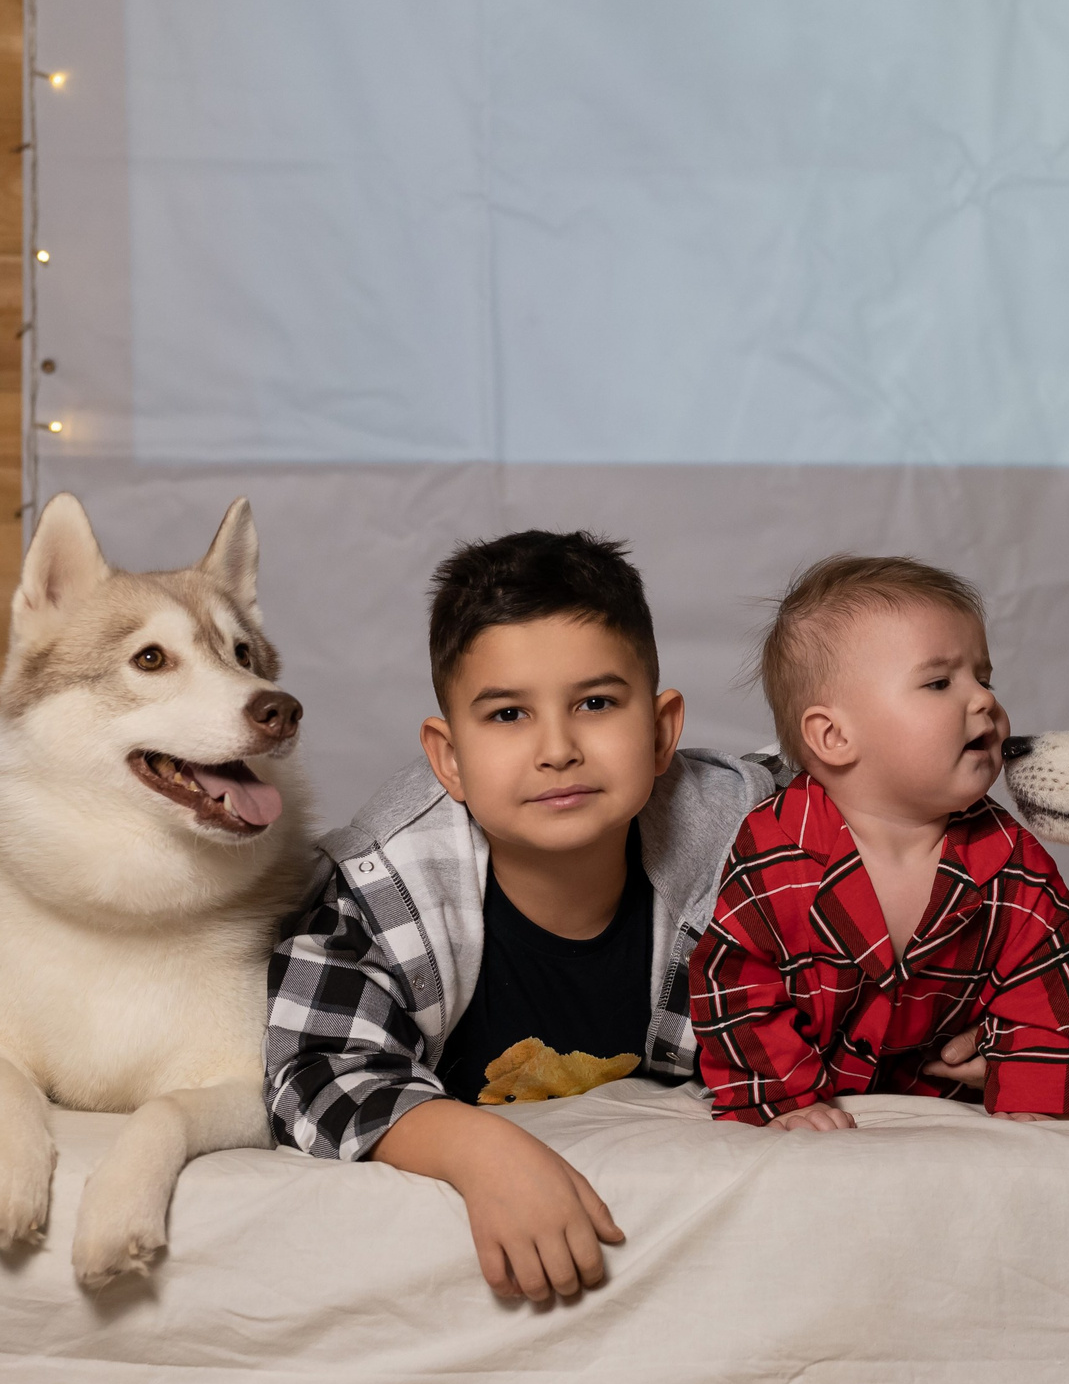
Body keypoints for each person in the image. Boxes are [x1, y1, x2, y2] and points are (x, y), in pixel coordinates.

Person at [266, 531, 776, 1301]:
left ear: (663, 729)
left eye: (596, 703)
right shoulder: (383, 882)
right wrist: (479, 1150)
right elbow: (312, 1068)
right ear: (449, 758)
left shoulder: (756, 841)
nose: (557, 748)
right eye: (507, 715)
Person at [688, 555, 1069, 1129]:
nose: (983, 700)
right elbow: (736, 985)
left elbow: (1050, 980)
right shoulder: (777, 851)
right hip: (811, 1077)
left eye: (982, 678)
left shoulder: (1012, 863)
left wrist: (1037, 1090)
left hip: (934, 1083)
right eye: (939, 683)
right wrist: (782, 1099)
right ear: (834, 736)